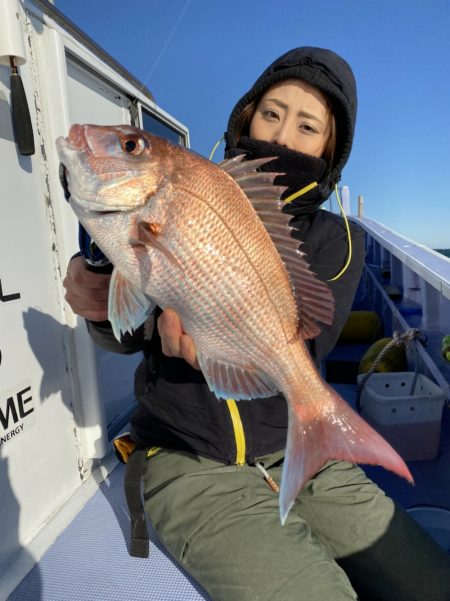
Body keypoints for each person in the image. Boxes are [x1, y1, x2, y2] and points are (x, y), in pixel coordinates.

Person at [64, 47, 450, 601]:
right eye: (271, 112)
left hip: (296, 447)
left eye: (308, 124)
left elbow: (303, 347)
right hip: (188, 458)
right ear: (247, 115)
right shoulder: (196, 188)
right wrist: (98, 289)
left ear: (330, 147)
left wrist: (233, 349)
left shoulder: (341, 241)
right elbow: (126, 330)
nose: (284, 135)